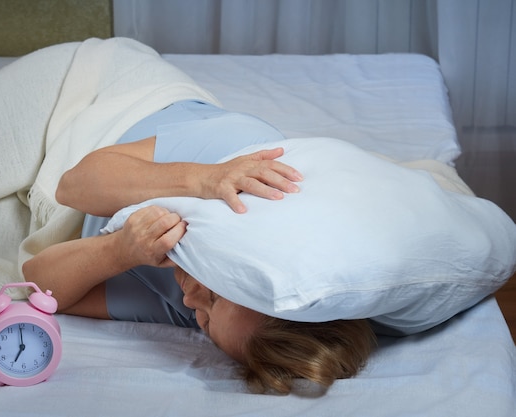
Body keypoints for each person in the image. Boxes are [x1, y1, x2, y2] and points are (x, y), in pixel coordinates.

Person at [23, 100, 376, 394]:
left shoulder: (187, 308)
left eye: (206, 323)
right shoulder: (247, 147)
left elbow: (38, 284)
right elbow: (72, 186)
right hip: (115, 103)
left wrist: (118, 251)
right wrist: (204, 177)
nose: (191, 300)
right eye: (216, 295)